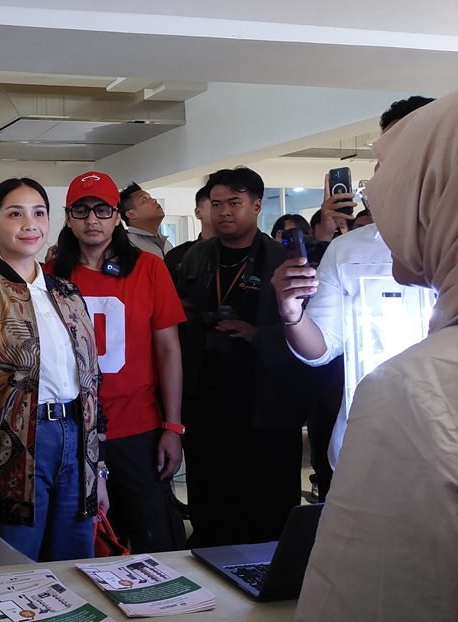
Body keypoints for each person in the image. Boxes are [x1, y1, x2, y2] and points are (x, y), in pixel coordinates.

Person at [296, 91, 458, 622]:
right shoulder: (347, 254)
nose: (380, 196)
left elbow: (354, 599)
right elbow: (321, 345)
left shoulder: (410, 390)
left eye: (397, 174)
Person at [0, 177, 107, 562]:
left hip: (76, 441)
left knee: (74, 565)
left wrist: (98, 470)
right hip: (11, 452)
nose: (30, 224)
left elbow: (92, 383)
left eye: (39, 213)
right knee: (16, 570)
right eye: (15, 214)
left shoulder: (67, 294)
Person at [270, 95, 436, 468]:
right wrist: (292, 312)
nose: (385, 175)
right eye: (381, 163)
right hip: (367, 445)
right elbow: (320, 349)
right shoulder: (349, 250)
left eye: (402, 157)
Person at [176, 167, 314, 548]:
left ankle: (268, 569)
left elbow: (307, 329)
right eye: (216, 204)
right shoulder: (194, 258)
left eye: (234, 203)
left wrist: (256, 334)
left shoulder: (282, 259)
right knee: (210, 498)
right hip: (207, 396)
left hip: (266, 400)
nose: (223, 212)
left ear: (256, 206)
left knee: (269, 504)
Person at [49, 171, 186, 553]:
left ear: (116, 216)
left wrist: (173, 426)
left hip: (140, 428)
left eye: (102, 210)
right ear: (68, 217)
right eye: (81, 210)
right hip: (74, 432)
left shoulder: (149, 268)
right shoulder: (50, 276)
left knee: (156, 540)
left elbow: (169, 350)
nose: (92, 220)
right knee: (87, 546)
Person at [164, 185, 214, 282]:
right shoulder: (177, 256)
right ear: (198, 212)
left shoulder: (241, 253)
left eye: (232, 204)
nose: (224, 211)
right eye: (216, 205)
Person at [120, 182, 173, 258]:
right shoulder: (127, 244)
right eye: (144, 199)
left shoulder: (168, 245)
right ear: (131, 214)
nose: (154, 200)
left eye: (150, 197)